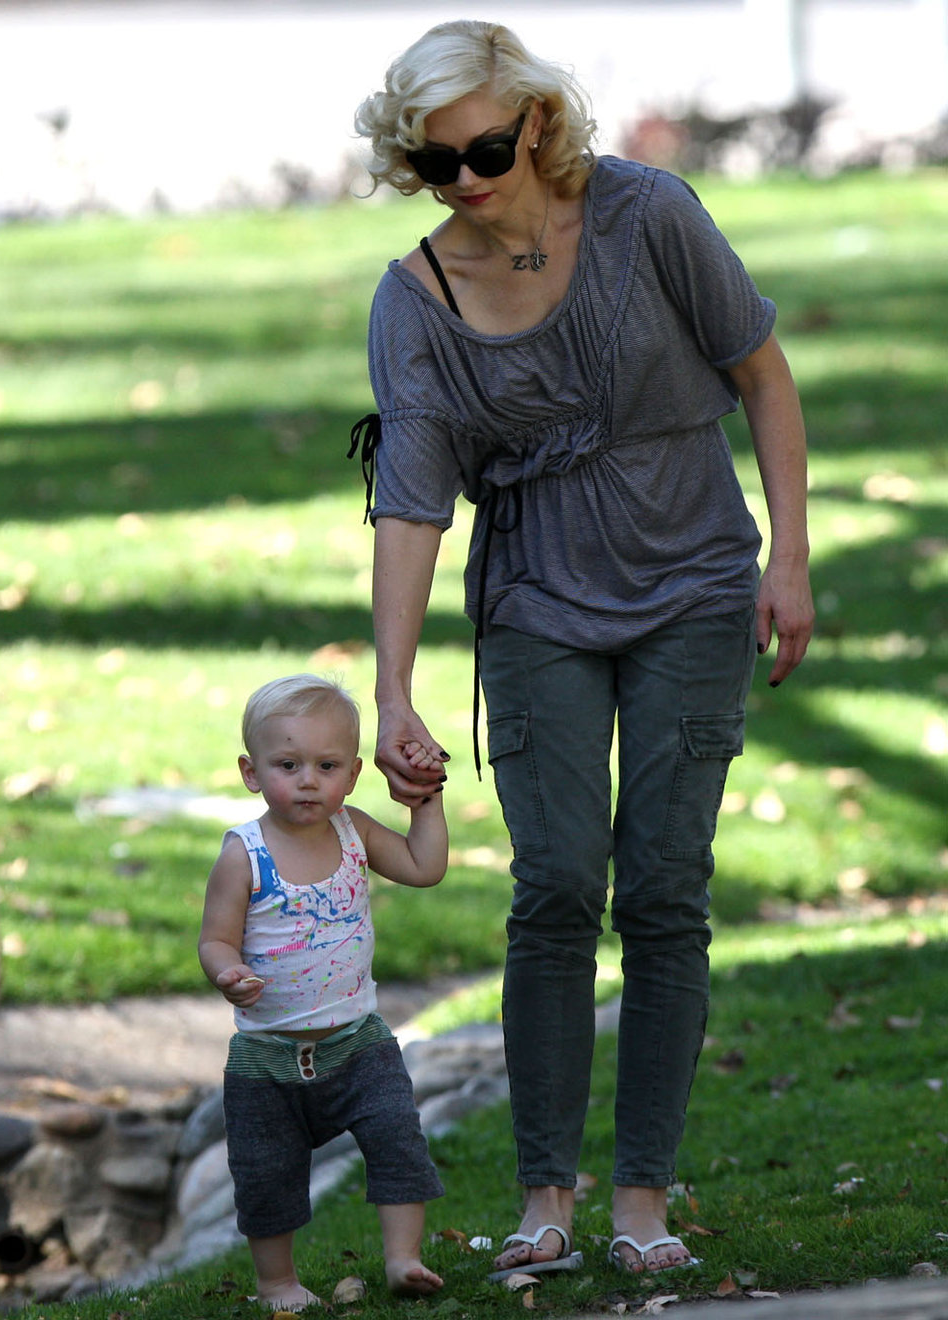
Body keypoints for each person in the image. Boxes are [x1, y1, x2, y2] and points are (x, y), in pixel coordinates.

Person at [352, 19, 814, 1281]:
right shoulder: (415, 299)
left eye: (485, 150)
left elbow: (764, 375)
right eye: (434, 162)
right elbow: (410, 503)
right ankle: (545, 1197)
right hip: (536, 601)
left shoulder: (650, 215)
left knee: (665, 891)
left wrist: (788, 557)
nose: (464, 179)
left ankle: (643, 1197)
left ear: (538, 121)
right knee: (555, 886)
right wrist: (392, 692)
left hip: (694, 586)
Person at [198, 674, 447, 1309]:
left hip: (358, 1043)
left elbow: (424, 867)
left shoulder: (354, 832)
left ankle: (404, 1259)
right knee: (264, 1173)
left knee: (397, 1138)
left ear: (354, 774)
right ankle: (278, 1284)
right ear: (251, 772)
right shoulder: (244, 854)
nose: (308, 781)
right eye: (288, 765)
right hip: (266, 1058)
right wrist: (227, 972)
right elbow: (216, 939)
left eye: (327, 766)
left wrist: (426, 802)